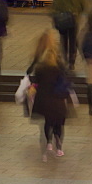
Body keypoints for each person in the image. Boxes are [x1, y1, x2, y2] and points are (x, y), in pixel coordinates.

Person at [28, 28, 71, 159]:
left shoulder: (40, 68)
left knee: (48, 122)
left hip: (44, 99)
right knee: (59, 123)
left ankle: (48, 143)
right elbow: (66, 80)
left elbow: (34, 79)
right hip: (57, 100)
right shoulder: (58, 68)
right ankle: (59, 147)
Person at [53, 0, 86, 69]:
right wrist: (77, 13)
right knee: (72, 40)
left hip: (62, 21)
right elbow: (83, 6)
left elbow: (55, 6)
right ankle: (72, 61)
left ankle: (65, 58)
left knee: (64, 40)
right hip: (73, 20)